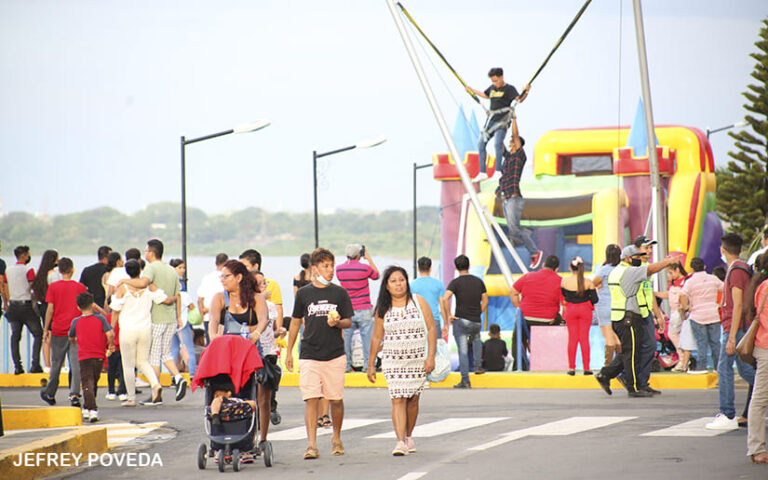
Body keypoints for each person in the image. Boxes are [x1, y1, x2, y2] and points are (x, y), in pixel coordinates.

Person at [286, 248, 354, 460]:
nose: (330, 270)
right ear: (314, 269)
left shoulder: (339, 293)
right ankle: (312, 444)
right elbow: (296, 322)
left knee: (336, 400)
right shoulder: (304, 293)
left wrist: (337, 322)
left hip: (334, 353)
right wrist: (289, 351)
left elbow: (348, 321)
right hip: (309, 353)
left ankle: (336, 438)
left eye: (332, 265)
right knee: (311, 398)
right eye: (325, 266)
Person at [367, 266, 436, 456]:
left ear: (407, 281)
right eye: (393, 281)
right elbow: (376, 337)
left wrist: (430, 357)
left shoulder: (419, 302)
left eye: (401, 280)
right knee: (398, 398)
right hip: (393, 361)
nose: (398, 284)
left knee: (413, 400)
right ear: (387, 286)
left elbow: (431, 329)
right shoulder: (383, 308)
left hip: (417, 360)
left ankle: (409, 435)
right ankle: (400, 441)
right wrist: (371, 364)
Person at [595, 246, 680, 397]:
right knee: (631, 353)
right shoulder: (629, 272)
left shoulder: (616, 271)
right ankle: (633, 387)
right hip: (628, 317)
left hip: (620, 316)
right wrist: (668, 263)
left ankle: (607, 374)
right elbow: (651, 269)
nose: (639, 259)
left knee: (631, 350)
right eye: (636, 257)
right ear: (628, 258)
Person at [208, 260, 271, 451]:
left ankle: (252, 438)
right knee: (224, 391)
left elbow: (264, 320)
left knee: (250, 393)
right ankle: (222, 435)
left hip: (249, 352)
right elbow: (213, 321)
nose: (223, 280)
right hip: (226, 353)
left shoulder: (255, 299)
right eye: (222, 276)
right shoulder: (219, 298)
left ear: (239, 278)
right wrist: (213, 339)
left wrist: (256, 334)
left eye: (226, 276)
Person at [119, 239, 186, 402]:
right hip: (171, 318)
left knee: (154, 357)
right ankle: (178, 377)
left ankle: (156, 395)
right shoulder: (171, 270)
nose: (145, 253)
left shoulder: (151, 268)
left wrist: (124, 281)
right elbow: (177, 295)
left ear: (152, 252)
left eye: (146, 250)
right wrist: (178, 317)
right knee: (165, 354)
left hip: (157, 318)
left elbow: (143, 283)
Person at [707, 233, 756, 430]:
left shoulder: (735, 270)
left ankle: (727, 414)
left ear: (723, 250)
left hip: (734, 328)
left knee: (724, 369)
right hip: (737, 327)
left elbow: (737, 305)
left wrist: (732, 336)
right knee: (746, 370)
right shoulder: (741, 268)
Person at [110, 259, 164, 407]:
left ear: (127, 271)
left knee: (128, 364)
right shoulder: (147, 286)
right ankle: (155, 384)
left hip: (127, 330)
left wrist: (110, 329)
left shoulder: (123, 287)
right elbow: (161, 298)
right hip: (145, 329)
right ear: (140, 270)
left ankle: (131, 398)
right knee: (143, 361)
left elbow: (115, 310)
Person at [494, 115, 542, 269]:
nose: (510, 144)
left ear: (518, 144)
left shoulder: (520, 156)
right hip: (505, 198)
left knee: (514, 229)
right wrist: (498, 127)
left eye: (512, 143)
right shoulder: (508, 159)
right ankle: (525, 232)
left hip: (514, 198)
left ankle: (535, 252)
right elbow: (499, 144)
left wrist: (513, 118)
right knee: (513, 231)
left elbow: (515, 136)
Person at [465, 67, 529, 181]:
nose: (495, 83)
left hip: (502, 121)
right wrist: (472, 91)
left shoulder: (509, 89)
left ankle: (498, 171)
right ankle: (482, 172)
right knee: (480, 143)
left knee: (497, 143)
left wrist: (526, 91)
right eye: (493, 81)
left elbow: (519, 99)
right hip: (491, 121)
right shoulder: (492, 88)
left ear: (502, 77)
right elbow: (485, 95)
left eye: (496, 81)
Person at [40, 257, 86, 407]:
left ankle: (50, 393)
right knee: (76, 364)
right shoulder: (79, 287)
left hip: (59, 330)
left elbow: (50, 309)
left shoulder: (53, 287)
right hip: (76, 331)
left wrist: (46, 329)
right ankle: (74, 394)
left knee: (56, 363)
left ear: (59, 270)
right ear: (72, 270)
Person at [440, 254, 488, 388]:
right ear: (469, 266)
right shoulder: (478, 281)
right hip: (476, 320)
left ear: (456, 267)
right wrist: (479, 312)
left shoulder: (455, 282)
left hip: (461, 320)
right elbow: (485, 300)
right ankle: (478, 365)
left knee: (463, 351)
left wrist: (449, 314)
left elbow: (444, 299)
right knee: (476, 339)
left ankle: (465, 380)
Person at [509, 255, 563, 370]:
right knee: (560, 320)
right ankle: (551, 363)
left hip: (526, 318)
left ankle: (519, 365)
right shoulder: (560, 281)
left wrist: (518, 308)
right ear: (557, 269)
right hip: (548, 320)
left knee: (517, 337)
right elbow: (565, 304)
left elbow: (513, 291)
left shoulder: (528, 276)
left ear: (543, 264)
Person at [68, 292, 114, 422]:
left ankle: (91, 409)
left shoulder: (76, 321)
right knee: (93, 381)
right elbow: (110, 333)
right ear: (93, 305)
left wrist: (74, 341)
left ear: (78, 307)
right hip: (98, 355)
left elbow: (71, 336)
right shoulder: (101, 319)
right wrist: (110, 345)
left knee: (87, 382)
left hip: (84, 356)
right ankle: (88, 407)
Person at [336, 243, 380, 372]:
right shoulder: (364, 268)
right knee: (367, 340)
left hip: (347, 310)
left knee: (346, 339)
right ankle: (368, 366)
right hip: (364, 307)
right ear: (358, 255)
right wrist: (368, 258)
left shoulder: (339, 269)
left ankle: (346, 366)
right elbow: (376, 275)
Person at [253, 271, 286, 438]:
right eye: (260, 284)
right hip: (253, 354)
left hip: (268, 353)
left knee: (265, 396)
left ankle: (263, 434)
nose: (265, 286)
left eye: (265, 283)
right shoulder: (249, 306)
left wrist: (278, 332)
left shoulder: (271, 306)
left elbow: (270, 332)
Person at [633, 236, 666, 395]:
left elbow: (649, 292)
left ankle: (642, 381)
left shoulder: (647, 267)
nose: (650, 251)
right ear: (637, 249)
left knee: (650, 346)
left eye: (651, 248)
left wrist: (658, 314)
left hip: (645, 313)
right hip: (634, 313)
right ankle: (630, 377)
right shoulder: (635, 267)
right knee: (639, 347)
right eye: (647, 247)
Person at [680, 257, 723, 372]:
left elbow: (682, 295)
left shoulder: (690, 282)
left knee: (701, 342)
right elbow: (725, 289)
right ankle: (718, 367)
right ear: (704, 267)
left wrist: (686, 307)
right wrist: (720, 303)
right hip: (713, 314)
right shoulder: (713, 278)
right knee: (715, 343)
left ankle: (701, 367)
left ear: (692, 269)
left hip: (697, 315)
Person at [6, 245, 44, 374]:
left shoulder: (8, 270)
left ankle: (18, 366)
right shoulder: (29, 269)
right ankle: (35, 364)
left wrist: (7, 302)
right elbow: (33, 286)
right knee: (38, 334)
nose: (29, 257)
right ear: (24, 256)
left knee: (15, 336)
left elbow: (5, 287)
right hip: (26, 306)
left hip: (13, 306)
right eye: (28, 254)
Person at [746, 253, 768, 463]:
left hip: (763, 347)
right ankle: (756, 448)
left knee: (760, 399)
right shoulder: (766, 287)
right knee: (760, 399)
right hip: (766, 349)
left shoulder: (760, 286)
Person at [561, 256, 598, 375]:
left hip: (570, 310)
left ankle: (571, 368)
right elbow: (595, 299)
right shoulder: (588, 282)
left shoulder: (564, 281)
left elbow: (564, 295)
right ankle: (586, 368)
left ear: (570, 267)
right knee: (584, 338)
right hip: (585, 310)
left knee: (572, 339)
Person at [239, 249, 284, 334]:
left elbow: (278, 310)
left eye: (245, 266)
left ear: (255, 266)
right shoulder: (239, 286)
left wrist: (278, 331)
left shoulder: (271, 285)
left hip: (267, 332)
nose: (241, 270)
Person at [102, 252, 127, 401]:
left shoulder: (107, 317)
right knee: (122, 369)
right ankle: (122, 390)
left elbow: (106, 332)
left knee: (111, 370)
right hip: (122, 346)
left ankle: (111, 390)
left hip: (112, 348)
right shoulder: (123, 317)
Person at [662, 263, 695, 372]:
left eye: (671, 273)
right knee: (679, 336)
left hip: (680, 311)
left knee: (673, 334)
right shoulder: (672, 282)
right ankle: (683, 359)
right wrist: (654, 294)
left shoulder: (687, 281)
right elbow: (668, 295)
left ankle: (683, 359)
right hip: (673, 311)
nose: (669, 276)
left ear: (677, 270)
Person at [592, 245, 622, 366]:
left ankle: (608, 365)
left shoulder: (604, 269)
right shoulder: (622, 269)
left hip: (604, 305)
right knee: (617, 335)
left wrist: (599, 286)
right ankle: (621, 363)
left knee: (608, 335)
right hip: (619, 305)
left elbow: (594, 282)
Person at [32, 249, 60, 371]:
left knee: (46, 334)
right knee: (58, 336)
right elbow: (58, 292)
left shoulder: (41, 274)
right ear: (53, 260)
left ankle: (47, 365)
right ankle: (60, 364)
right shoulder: (53, 274)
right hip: (54, 306)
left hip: (43, 306)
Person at [169, 258, 197, 380]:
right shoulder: (180, 284)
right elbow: (187, 302)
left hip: (171, 320)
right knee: (189, 348)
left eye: (183, 268)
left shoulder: (167, 282)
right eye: (180, 268)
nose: (182, 270)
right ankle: (192, 374)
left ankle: (173, 375)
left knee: (173, 349)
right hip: (182, 320)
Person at [196, 253, 228, 343]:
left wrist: (203, 315)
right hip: (222, 318)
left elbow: (200, 299)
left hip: (208, 317)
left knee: (211, 346)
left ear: (215, 263)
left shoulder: (207, 278)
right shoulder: (227, 279)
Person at [410, 257, 445, 333]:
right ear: (430, 268)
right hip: (434, 319)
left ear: (418, 268)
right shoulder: (439, 284)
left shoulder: (412, 285)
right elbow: (442, 306)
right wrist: (445, 324)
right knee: (435, 344)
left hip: (418, 319)